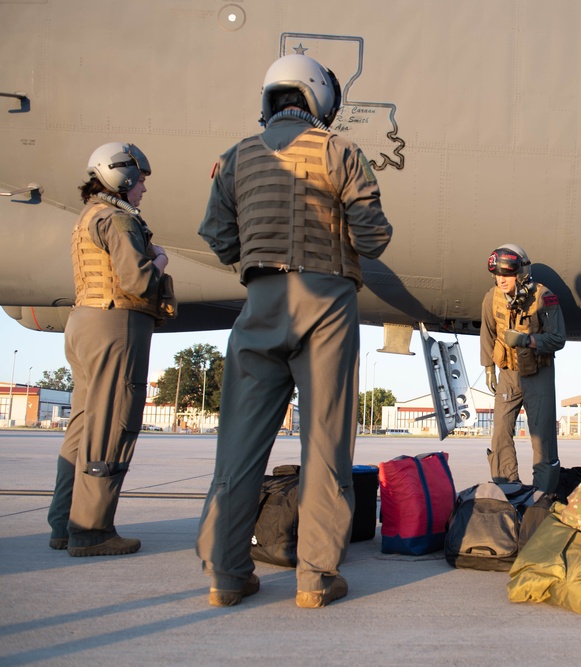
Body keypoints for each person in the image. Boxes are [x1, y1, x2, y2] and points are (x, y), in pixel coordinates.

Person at [196, 54, 392, 608]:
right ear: (316, 98)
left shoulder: (236, 157)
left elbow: (217, 234)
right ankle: (315, 577)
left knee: (236, 449)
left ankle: (227, 574)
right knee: (326, 446)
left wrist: (253, 258)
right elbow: (373, 238)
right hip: (325, 304)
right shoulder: (340, 151)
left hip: (259, 304)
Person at [47, 142, 170, 556]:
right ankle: (92, 530)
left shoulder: (88, 217)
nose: (144, 191)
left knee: (81, 425)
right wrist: (160, 262)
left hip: (84, 323)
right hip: (116, 324)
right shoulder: (118, 220)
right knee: (113, 422)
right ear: (124, 179)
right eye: (141, 183)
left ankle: (65, 524)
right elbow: (136, 281)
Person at [480, 244, 566, 493]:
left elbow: (558, 339)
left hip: (537, 373)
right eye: (497, 274)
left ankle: (542, 494)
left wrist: (529, 340)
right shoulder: (492, 297)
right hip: (508, 374)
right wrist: (488, 368)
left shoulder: (543, 297)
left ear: (521, 273)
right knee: (500, 431)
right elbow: (487, 332)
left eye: (506, 274)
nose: (501, 280)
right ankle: (506, 486)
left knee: (542, 438)